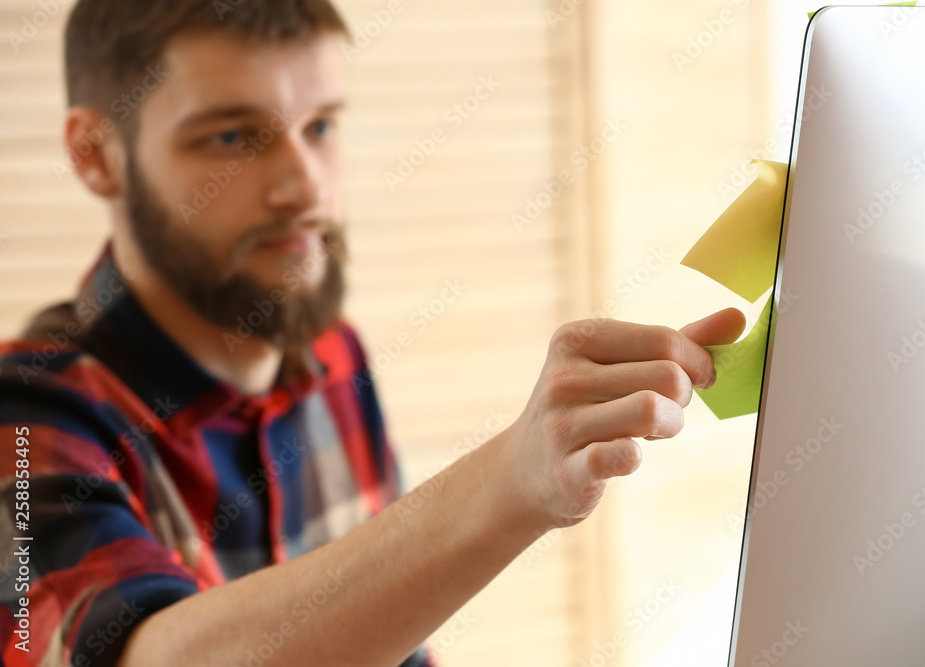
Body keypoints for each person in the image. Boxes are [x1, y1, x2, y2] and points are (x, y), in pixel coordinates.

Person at [0, 1, 746, 665]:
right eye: (231, 136)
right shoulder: (27, 417)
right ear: (96, 154)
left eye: (320, 126)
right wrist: (511, 483)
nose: (306, 186)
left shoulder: (332, 357)